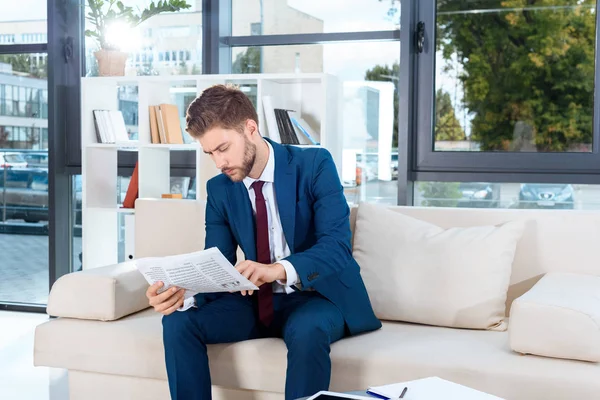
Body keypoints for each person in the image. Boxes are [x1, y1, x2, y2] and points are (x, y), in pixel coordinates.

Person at [146, 84, 382, 400]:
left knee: (308, 331)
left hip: (316, 297)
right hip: (254, 301)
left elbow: (336, 247)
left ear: (250, 128)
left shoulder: (313, 165)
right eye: (210, 153)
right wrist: (182, 293)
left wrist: (276, 270)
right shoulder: (220, 189)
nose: (218, 162)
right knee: (177, 322)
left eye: (223, 148)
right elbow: (217, 261)